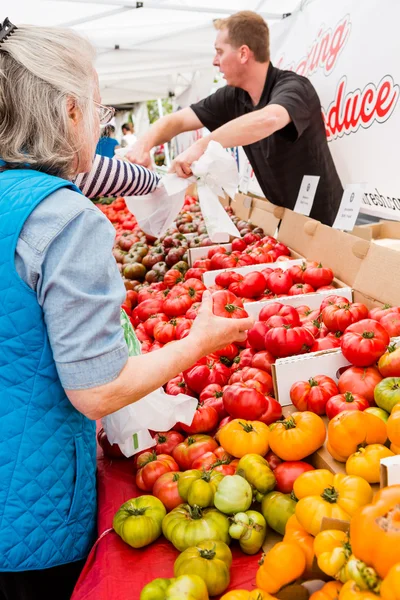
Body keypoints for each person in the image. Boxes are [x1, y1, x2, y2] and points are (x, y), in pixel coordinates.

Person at [0, 18, 254, 600]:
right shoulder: (65, 220)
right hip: (28, 504)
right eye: (98, 105)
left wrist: (162, 178)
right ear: (69, 111)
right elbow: (97, 389)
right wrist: (198, 343)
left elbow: (97, 172)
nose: (102, 121)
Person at [127, 11, 343, 226]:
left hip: (326, 223)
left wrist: (200, 146)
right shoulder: (233, 97)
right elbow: (178, 121)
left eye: (219, 52)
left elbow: (267, 120)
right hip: (286, 220)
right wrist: (143, 145)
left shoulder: (295, 87)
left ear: (243, 54)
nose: (214, 61)